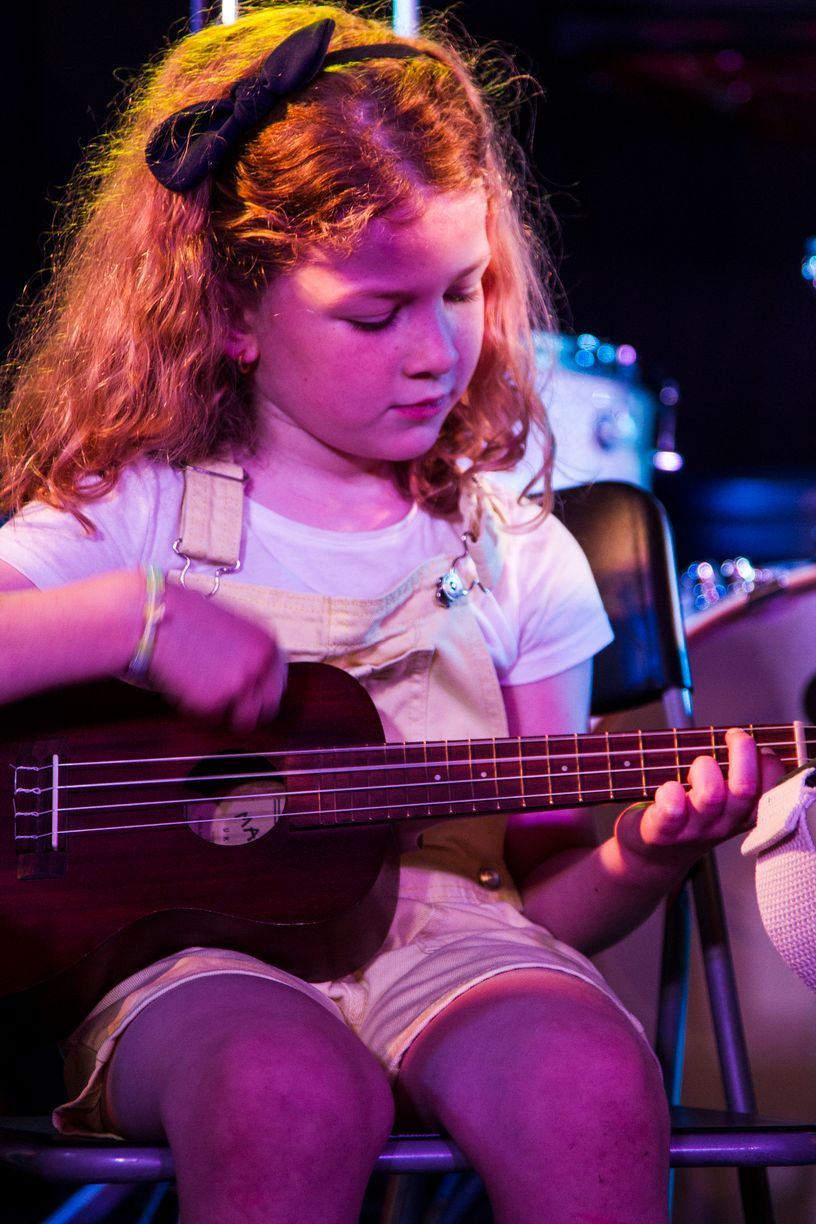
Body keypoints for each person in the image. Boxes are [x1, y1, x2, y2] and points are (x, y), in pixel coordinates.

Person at [0, 4, 781, 1221]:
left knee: (590, 1078)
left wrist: (641, 856)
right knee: (283, 1091)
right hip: (194, 959)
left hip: (455, 942)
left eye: (463, 293)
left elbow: (548, 885)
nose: (436, 353)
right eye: (375, 315)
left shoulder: (512, 549)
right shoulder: (140, 514)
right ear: (231, 312)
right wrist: (134, 620)